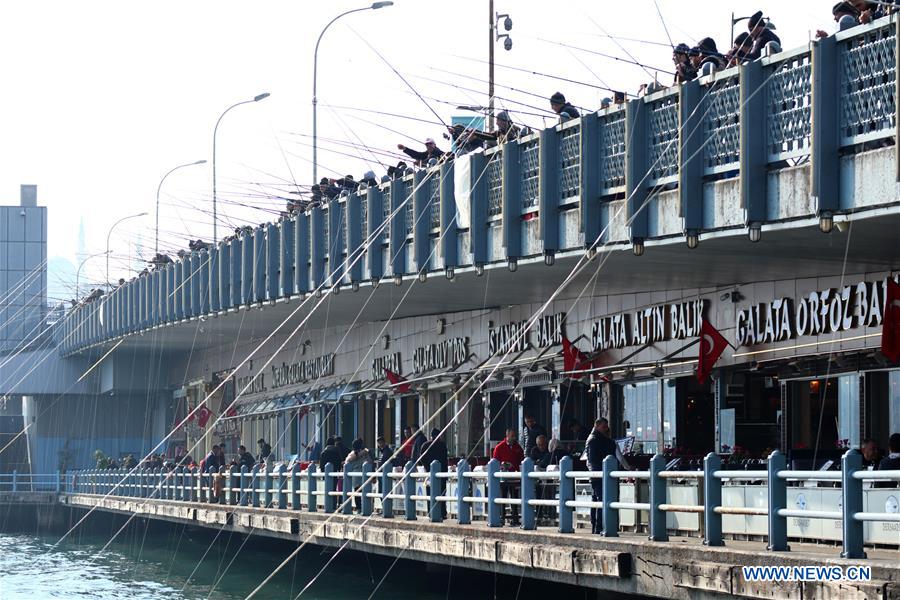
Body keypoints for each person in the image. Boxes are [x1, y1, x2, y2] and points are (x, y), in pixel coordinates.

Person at [585, 418, 632, 534]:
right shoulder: (609, 442)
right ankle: (605, 526)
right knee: (606, 500)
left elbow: (589, 461)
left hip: (595, 474)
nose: (606, 429)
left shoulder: (590, 440)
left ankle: (596, 526)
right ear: (597, 426)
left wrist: (592, 471)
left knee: (597, 500)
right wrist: (629, 469)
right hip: (606, 475)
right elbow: (620, 459)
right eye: (604, 426)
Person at [492, 428, 525, 525]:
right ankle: (502, 516)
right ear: (507, 436)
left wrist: (514, 467)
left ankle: (515, 516)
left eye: (515, 436)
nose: (514, 438)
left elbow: (521, 460)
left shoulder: (518, 447)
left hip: (514, 475)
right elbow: (495, 462)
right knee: (503, 495)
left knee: (514, 495)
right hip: (503, 476)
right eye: (512, 436)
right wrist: (503, 465)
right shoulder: (499, 447)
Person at [421, 428, 449, 519]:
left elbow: (422, 458)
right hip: (441, 472)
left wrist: (427, 468)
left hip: (430, 472)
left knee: (430, 493)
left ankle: (431, 511)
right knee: (441, 493)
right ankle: (442, 513)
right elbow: (445, 460)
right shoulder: (442, 445)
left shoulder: (425, 445)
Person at [344, 438, 373, 511]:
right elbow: (370, 461)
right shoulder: (365, 453)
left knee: (357, 492)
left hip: (356, 475)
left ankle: (359, 508)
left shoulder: (352, 454)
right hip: (364, 474)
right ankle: (366, 508)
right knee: (366, 492)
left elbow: (347, 461)